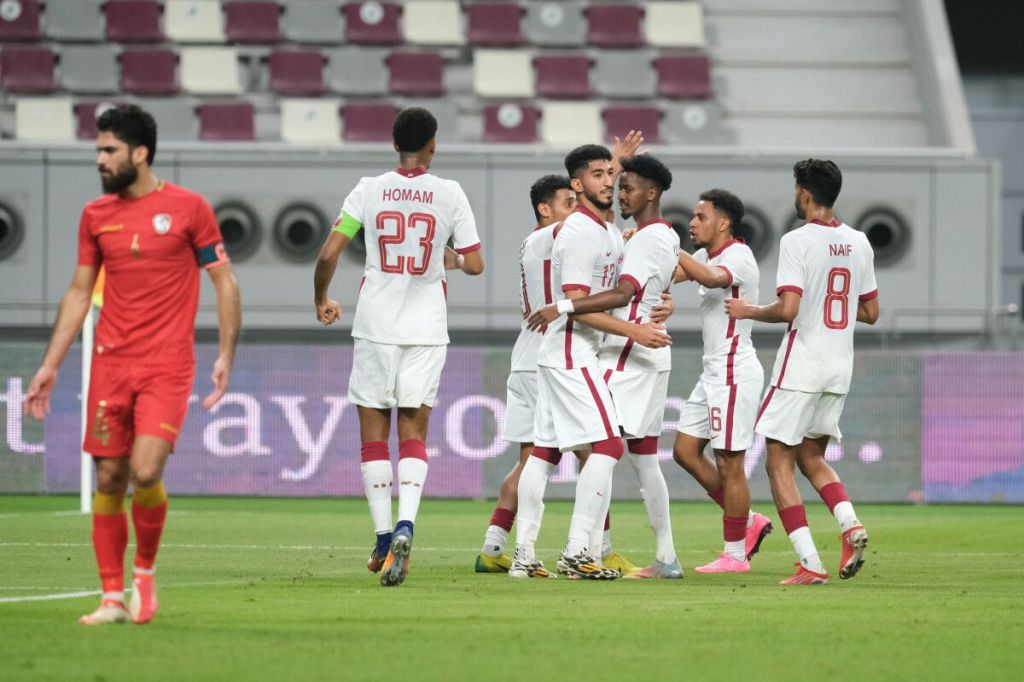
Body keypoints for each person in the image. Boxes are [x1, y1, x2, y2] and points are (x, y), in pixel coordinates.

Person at [23, 104, 240, 625]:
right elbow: (79, 293)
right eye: (99, 149)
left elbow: (224, 280)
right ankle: (111, 598)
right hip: (109, 366)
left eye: (109, 150)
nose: (100, 158)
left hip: (167, 364)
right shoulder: (96, 215)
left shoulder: (189, 209)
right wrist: (51, 364)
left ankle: (144, 573)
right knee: (108, 478)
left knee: (145, 469)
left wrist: (226, 353)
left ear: (139, 154)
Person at [314, 107, 484, 588]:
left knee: (373, 436)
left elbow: (329, 252)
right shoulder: (449, 193)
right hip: (426, 328)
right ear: (434, 145)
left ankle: (384, 537)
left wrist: (321, 298)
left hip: (375, 324)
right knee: (413, 431)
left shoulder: (369, 188)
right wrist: (441, 257)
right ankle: (407, 524)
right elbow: (474, 264)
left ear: (394, 145)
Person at [511, 144, 671, 580]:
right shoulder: (580, 232)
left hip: (560, 353)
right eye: (598, 174)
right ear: (577, 185)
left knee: (542, 453)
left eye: (610, 173)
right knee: (609, 446)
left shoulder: (604, 229)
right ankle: (578, 551)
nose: (609, 181)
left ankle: (524, 554)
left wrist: (659, 301)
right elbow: (579, 304)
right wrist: (635, 331)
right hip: (572, 352)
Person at [725, 159, 878, 585]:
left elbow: (789, 309)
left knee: (778, 461)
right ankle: (850, 525)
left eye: (796, 188)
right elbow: (870, 311)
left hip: (802, 364)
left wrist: (749, 310)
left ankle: (810, 562)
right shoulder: (860, 242)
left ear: (805, 193)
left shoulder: (797, 241)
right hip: (839, 366)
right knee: (812, 454)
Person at [475, 174, 576, 576]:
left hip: (529, 358)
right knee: (593, 451)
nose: (576, 209)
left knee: (529, 460)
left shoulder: (545, 243)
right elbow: (584, 224)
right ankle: (584, 550)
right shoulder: (545, 238)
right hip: (544, 364)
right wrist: (612, 173)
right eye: (569, 201)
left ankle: (493, 547)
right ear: (545, 210)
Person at [671, 189, 773, 573]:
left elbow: (714, 279)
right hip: (712, 369)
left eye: (701, 217)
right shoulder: (702, 255)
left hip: (734, 368)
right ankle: (749, 522)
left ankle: (734, 555)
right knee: (684, 451)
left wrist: (668, 242)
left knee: (730, 461)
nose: (693, 223)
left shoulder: (738, 256)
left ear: (724, 223)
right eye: (693, 217)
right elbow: (673, 273)